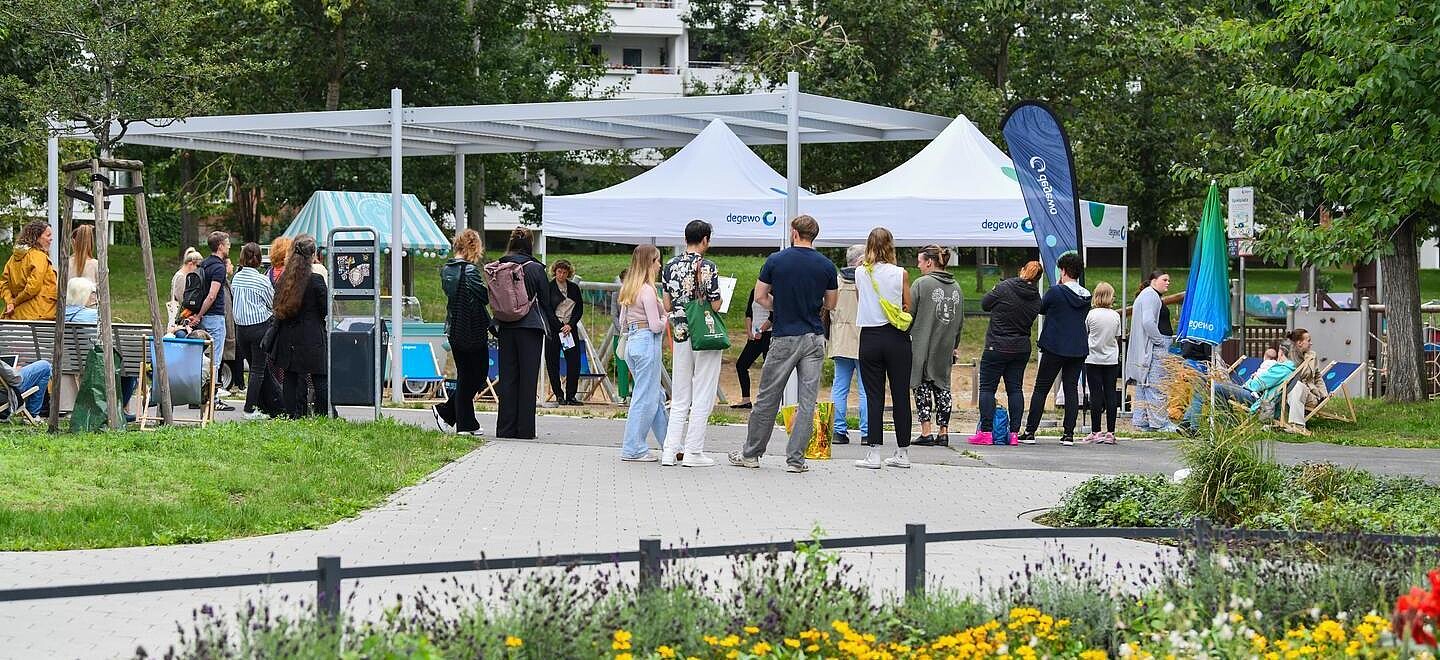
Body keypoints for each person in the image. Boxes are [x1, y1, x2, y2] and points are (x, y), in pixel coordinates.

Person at [729, 215, 838, 473]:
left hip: (784, 335)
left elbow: (759, 295)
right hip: (813, 337)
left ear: (794, 233)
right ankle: (796, 460)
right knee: (807, 401)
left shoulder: (776, 261)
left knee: (768, 397)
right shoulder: (826, 265)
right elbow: (831, 303)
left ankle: (752, 454)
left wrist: (779, 305)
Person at [659, 219, 723, 467]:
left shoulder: (669, 266)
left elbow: (666, 304)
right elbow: (716, 304)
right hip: (704, 333)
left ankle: (669, 450)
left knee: (680, 395)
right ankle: (693, 451)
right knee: (703, 392)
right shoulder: (707, 266)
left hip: (680, 333)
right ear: (705, 239)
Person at [854, 227, 913, 469]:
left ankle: (874, 452)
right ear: (891, 245)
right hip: (896, 337)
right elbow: (907, 305)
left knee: (874, 394)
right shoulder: (901, 273)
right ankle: (903, 452)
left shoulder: (860, 272)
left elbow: (861, 300)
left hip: (870, 336)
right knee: (900, 394)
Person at [1018, 253, 1092, 446]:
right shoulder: (1086, 295)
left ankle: (1030, 431)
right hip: (1078, 348)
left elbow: (1041, 308)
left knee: (1041, 388)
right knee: (1070, 389)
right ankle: (1068, 434)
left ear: (1063, 270)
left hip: (1055, 346)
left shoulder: (1055, 292)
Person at [968, 261, 1042, 445]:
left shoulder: (1004, 287)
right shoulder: (1037, 299)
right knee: (1015, 389)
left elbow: (985, 304)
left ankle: (986, 432)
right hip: (1021, 347)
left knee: (987, 388)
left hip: (997, 345)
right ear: (1038, 278)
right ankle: (1014, 434)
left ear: (1023, 270)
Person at [493, 227, 552, 439]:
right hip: (530, 327)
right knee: (527, 380)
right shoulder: (535, 268)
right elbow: (545, 300)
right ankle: (525, 429)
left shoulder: (500, 265)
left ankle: (505, 428)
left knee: (507, 378)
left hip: (505, 326)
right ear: (530, 243)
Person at [434, 229, 490, 436]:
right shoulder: (469, 270)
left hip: (454, 327)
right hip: (473, 328)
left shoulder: (446, 269)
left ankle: (466, 422)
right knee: (478, 373)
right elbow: (483, 297)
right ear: (473, 247)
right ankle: (451, 414)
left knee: (466, 374)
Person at [270, 235, 330, 418]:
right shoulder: (316, 280)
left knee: (291, 378)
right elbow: (325, 309)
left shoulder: (284, 280)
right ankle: (321, 414)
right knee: (319, 377)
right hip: (312, 336)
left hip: (289, 337)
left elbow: (277, 305)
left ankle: (293, 414)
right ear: (312, 255)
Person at [909, 245, 964, 447]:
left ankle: (926, 431)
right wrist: (954, 345)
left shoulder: (921, 284)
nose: (918, 265)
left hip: (923, 344)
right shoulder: (956, 286)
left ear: (929, 262)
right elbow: (960, 321)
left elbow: (909, 315)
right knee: (943, 387)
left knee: (921, 386)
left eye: (920, 261)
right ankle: (944, 431)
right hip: (946, 344)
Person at [618, 244, 667, 461]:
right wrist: (667, 318)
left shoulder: (629, 288)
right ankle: (633, 448)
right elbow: (656, 326)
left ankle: (670, 443)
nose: (659, 265)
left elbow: (622, 322)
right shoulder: (648, 291)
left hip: (632, 343)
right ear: (649, 262)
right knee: (645, 398)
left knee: (653, 395)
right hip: (647, 342)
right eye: (657, 261)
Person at [1127, 270, 1179, 432]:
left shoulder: (1147, 295)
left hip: (1153, 344)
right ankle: (1159, 422)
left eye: (1168, 280)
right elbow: (1148, 322)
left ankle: (1141, 420)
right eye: (1164, 279)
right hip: (1156, 345)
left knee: (1145, 383)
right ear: (1154, 281)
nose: (1168, 283)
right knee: (1157, 384)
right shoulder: (1151, 296)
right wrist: (1159, 341)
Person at [182, 232, 231, 404]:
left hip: (202, 317)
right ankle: (213, 397)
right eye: (227, 243)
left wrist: (197, 315)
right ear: (220, 246)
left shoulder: (204, 264)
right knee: (215, 359)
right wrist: (200, 315)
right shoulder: (219, 267)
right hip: (214, 317)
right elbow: (211, 295)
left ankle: (196, 395)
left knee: (200, 357)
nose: (229, 246)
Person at [827, 244, 868, 445]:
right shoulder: (868, 280)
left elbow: (828, 307)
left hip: (840, 338)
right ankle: (867, 432)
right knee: (866, 388)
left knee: (839, 386)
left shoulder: (836, 281)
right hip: (864, 339)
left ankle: (838, 430)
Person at [231, 242, 276, 420]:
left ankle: (267, 404)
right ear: (258, 259)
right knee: (258, 370)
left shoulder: (237, 278)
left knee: (256, 369)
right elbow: (272, 303)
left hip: (241, 329)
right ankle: (249, 409)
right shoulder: (262, 280)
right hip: (259, 326)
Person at [1083, 282, 1122, 444]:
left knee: (1095, 394)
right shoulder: (1115, 315)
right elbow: (1117, 336)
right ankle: (1111, 432)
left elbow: (1086, 333)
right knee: (1110, 393)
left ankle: (1096, 430)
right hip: (1111, 359)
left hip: (1092, 358)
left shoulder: (1091, 315)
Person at [544, 259, 585, 406]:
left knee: (574, 362)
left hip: (570, 329)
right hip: (554, 330)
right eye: (559, 271)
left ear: (569, 273)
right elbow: (547, 309)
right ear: (555, 272)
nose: (561, 274)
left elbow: (579, 308)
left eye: (565, 272)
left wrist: (570, 325)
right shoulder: (549, 288)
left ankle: (571, 395)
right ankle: (558, 394)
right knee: (552, 362)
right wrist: (559, 326)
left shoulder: (573, 288)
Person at [1, 220, 58, 321]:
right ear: (37, 237)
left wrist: (10, 302)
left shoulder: (13, 258)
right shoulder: (39, 257)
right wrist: (14, 302)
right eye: (48, 235)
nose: (51, 239)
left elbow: (4, 283)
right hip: (38, 315)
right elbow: (33, 287)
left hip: (14, 315)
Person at [730, 286, 771, 409]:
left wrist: (761, 330)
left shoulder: (776, 292)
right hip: (754, 335)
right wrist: (749, 331)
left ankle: (768, 400)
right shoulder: (755, 291)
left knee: (768, 367)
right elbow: (749, 312)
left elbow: (774, 315)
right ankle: (746, 399)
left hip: (769, 333)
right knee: (741, 365)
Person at [1280, 328, 1324, 435]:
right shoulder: (1287, 356)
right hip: (1285, 392)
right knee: (1296, 386)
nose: (1311, 343)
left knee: (1298, 386)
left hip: (1309, 394)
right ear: (1299, 343)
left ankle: (1296, 424)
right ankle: (1295, 424)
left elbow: (1317, 376)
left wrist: (1323, 394)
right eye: (1308, 340)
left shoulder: (1312, 356)